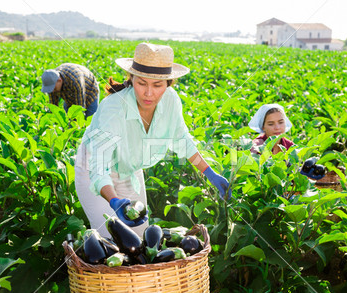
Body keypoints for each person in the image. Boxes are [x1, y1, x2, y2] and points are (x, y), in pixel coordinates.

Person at [74, 43, 231, 238]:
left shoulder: (171, 101)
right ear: (131, 79)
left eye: (157, 85)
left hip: (128, 169)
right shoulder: (114, 108)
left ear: (168, 84)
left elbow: (182, 140)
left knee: (140, 239)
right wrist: (114, 200)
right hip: (93, 169)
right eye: (141, 83)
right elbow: (99, 165)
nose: (149, 93)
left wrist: (209, 173)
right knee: (111, 239)